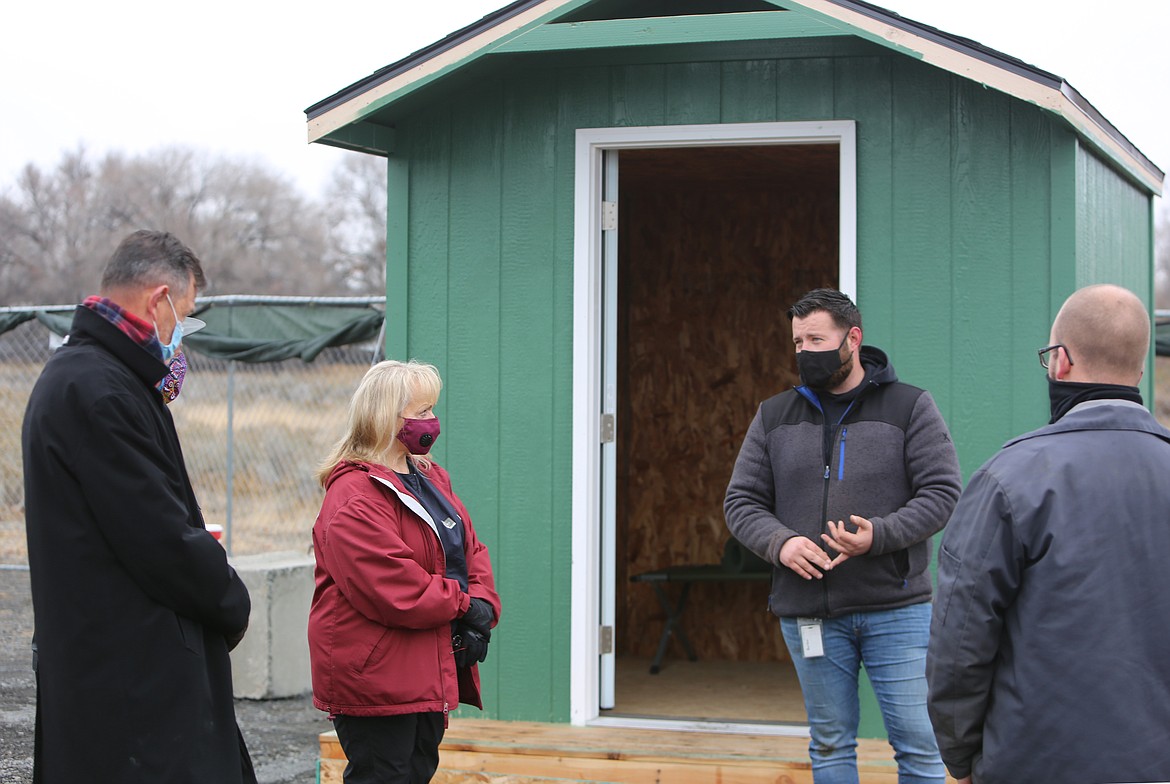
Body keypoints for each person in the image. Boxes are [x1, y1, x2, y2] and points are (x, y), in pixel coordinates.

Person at [21, 230, 256, 783]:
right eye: (186, 315)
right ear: (158, 302)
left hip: (117, 673)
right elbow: (159, 538)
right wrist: (228, 598)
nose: (183, 335)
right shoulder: (100, 391)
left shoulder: (96, 378)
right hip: (132, 688)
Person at [927, 284, 1170, 784]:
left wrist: (959, 757)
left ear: (1059, 361)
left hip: (1034, 762)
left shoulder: (1010, 477)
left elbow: (960, 643)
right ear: (1140, 370)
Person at [725, 288, 961, 783]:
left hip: (896, 610)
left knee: (918, 746)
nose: (805, 352)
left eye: (816, 339)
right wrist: (781, 543)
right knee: (830, 746)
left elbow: (942, 493)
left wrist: (879, 535)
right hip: (809, 612)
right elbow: (741, 503)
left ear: (852, 338)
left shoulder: (910, 406)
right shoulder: (773, 415)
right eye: (797, 342)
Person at [308, 359, 501, 784]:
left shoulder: (431, 478)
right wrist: (467, 607)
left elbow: (470, 548)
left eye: (433, 409)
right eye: (420, 412)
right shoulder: (353, 496)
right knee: (383, 775)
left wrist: (484, 604)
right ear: (383, 416)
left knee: (416, 771)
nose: (432, 421)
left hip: (425, 666)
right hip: (377, 673)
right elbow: (392, 586)